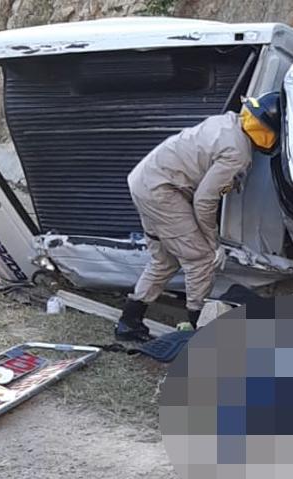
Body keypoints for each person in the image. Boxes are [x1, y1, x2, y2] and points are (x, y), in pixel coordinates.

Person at [114, 93, 281, 341]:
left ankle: (129, 323)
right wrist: (213, 243)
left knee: (165, 261)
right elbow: (205, 200)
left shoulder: (228, 122)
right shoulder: (238, 152)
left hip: (145, 181)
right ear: (270, 131)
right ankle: (199, 329)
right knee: (201, 259)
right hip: (164, 190)